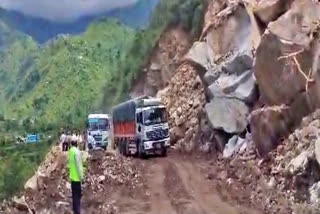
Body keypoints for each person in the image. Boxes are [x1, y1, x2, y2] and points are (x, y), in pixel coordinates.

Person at [69, 140, 84, 214]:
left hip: (72, 177)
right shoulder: (76, 152)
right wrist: (82, 177)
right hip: (77, 178)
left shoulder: (71, 151)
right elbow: (79, 166)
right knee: (78, 196)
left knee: (74, 195)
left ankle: (75, 210)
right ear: (77, 143)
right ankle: (77, 211)